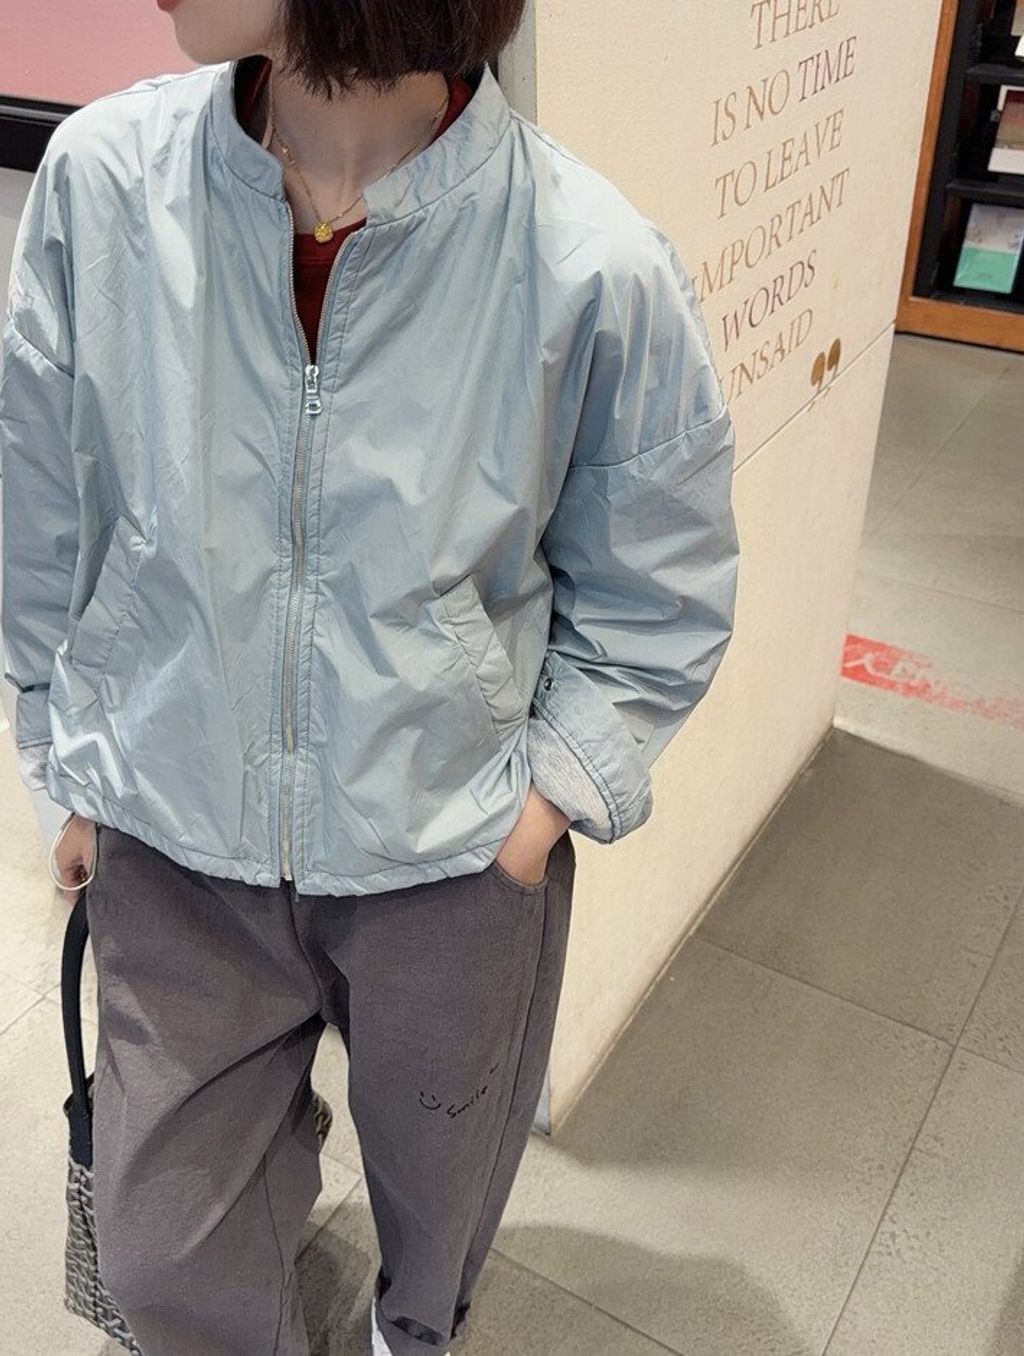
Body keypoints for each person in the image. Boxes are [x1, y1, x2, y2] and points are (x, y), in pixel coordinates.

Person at [0, 2, 741, 1353]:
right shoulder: (102, 186)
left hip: (447, 855)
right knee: (164, 1256)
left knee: (439, 1198)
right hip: (173, 829)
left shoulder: (588, 258)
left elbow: (659, 582)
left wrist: (538, 813)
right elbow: (43, 502)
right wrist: (67, 754)